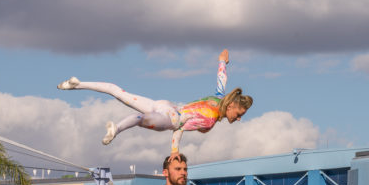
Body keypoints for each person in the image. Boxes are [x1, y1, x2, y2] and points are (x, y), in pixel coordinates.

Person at [58, 49, 253, 155]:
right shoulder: (209, 119)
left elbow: (221, 79)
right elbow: (180, 128)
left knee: (118, 92)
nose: (238, 119)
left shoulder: (218, 98)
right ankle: (115, 129)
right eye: (239, 115)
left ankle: (77, 84)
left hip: (165, 105)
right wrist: (175, 151)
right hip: (171, 118)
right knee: (142, 119)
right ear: (231, 106)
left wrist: (221, 61)